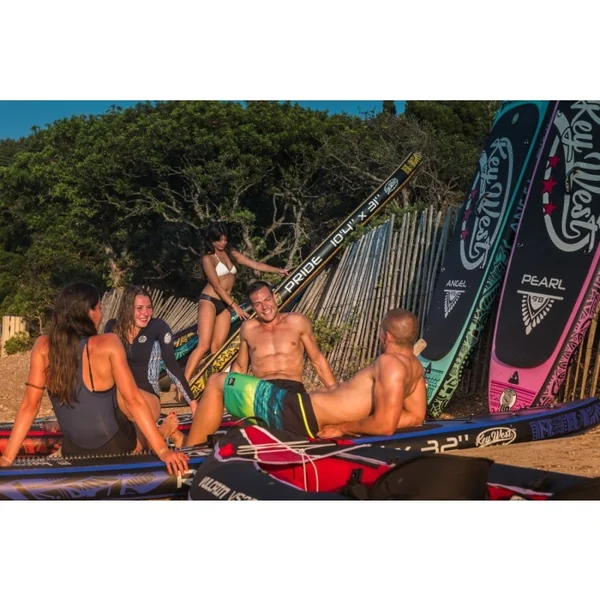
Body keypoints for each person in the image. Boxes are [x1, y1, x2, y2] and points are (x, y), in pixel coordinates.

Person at [0, 282, 189, 475]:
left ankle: (59, 453)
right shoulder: (108, 343)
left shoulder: (43, 346)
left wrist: (6, 459)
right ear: (89, 313)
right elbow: (133, 400)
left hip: (73, 450)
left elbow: (30, 406)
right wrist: (163, 451)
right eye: (99, 308)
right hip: (116, 447)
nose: (101, 314)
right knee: (135, 423)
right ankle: (162, 432)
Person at [182, 307, 426, 446]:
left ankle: (191, 453)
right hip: (301, 409)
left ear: (386, 336)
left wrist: (343, 427)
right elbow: (416, 417)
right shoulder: (415, 367)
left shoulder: (389, 363)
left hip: (297, 413)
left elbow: (385, 425)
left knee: (217, 382)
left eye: (380, 331)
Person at [183, 221, 289, 384]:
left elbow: (255, 264)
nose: (222, 243)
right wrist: (235, 306)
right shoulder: (208, 259)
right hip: (209, 300)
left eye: (225, 239)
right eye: (219, 240)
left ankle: (212, 382)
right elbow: (217, 287)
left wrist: (278, 270)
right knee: (204, 345)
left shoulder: (231, 253)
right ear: (211, 240)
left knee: (217, 348)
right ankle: (183, 383)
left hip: (225, 304)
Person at [104, 285, 197, 415]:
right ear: (127, 308)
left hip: (147, 398)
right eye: (139, 308)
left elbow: (171, 366)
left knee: (124, 397)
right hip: (120, 398)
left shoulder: (158, 327)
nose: (146, 313)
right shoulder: (112, 327)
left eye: (149, 308)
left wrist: (193, 403)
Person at [229, 280, 337, 394]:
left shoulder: (297, 322)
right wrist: (229, 393)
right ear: (252, 307)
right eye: (258, 304)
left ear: (275, 297)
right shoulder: (248, 328)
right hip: (262, 391)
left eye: (267, 299)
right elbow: (240, 367)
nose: (264, 307)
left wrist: (334, 390)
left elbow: (317, 360)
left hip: (292, 389)